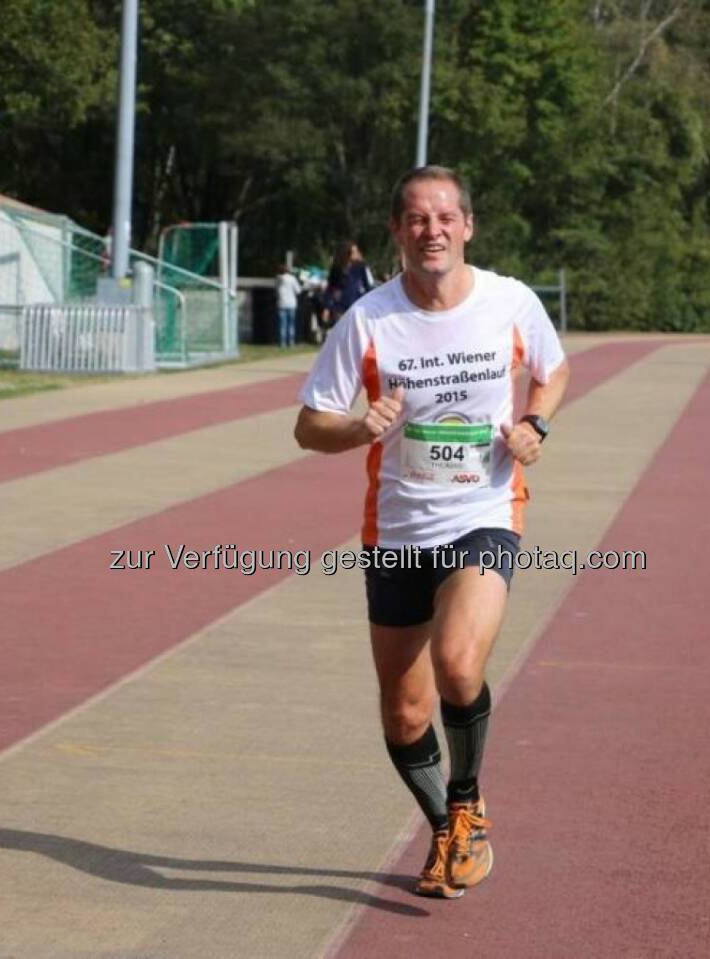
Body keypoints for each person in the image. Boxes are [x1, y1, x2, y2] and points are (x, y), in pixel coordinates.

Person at [293, 165, 570, 899]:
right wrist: (359, 426)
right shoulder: (370, 319)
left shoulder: (510, 301)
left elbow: (554, 369)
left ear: (468, 225)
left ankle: (466, 799)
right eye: (417, 218)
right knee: (405, 709)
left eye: (445, 216)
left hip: (484, 512)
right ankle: (451, 827)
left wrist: (536, 422)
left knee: (456, 663)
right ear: (397, 231)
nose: (432, 230)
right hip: (396, 531)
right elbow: (308, 425)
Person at [275, 264, 301, 348]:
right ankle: (291, 342)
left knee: (282, 324)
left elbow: (276, 290)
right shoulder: (292, 279)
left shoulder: (278, 279)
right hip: (291, 303)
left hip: (281, 303)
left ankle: (282, 343)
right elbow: (298, 290)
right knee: (291, 324)